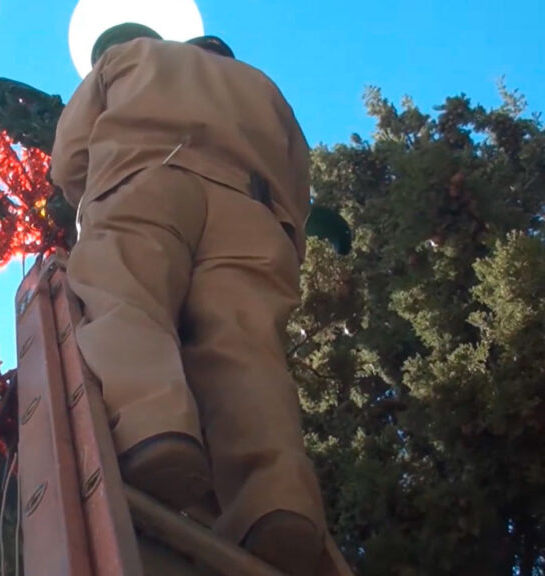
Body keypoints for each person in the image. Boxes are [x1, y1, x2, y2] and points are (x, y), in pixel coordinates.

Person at [50, 23, 352, 576]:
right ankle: (276, 503)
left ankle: (152, 429)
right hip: (252, 215)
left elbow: (69, 155)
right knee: (247, 353)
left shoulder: (130, 55)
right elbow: (297, 184)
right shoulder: (266, 90)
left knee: (127, 300)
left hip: (147, 177)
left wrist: (90, 195)